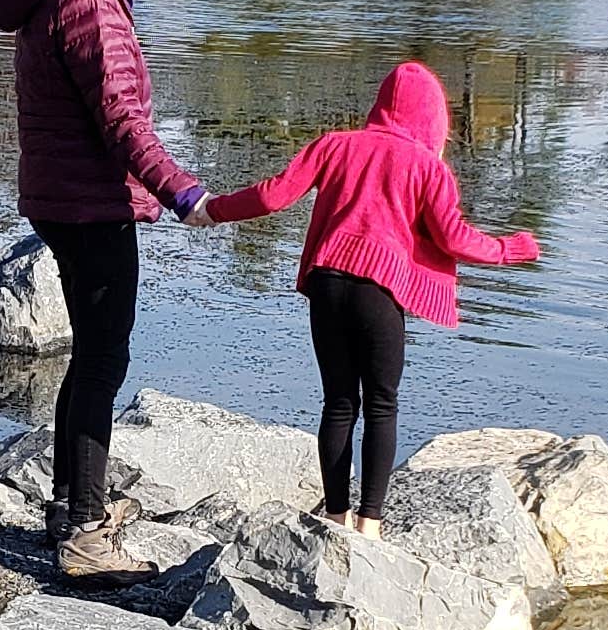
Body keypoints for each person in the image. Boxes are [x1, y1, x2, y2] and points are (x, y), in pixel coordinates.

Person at [200, 60, 539, 534]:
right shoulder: (427, 167)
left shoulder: (335, 145)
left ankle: (335, 518)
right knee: (382, 404)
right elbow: (454, 239)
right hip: (378, 290)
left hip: (326, 281)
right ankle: (370, 525)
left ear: (380, 105)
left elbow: (274, 195)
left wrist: (211, 209)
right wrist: (511, 249)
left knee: (339, 402)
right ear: (434, 119)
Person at [0, 0, 205, 582]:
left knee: (90, 357)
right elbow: (121, 117)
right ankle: (85, 532)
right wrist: (181, 191)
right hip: (91, 201)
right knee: (102, 361)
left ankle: (69, 505)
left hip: (58, 195)